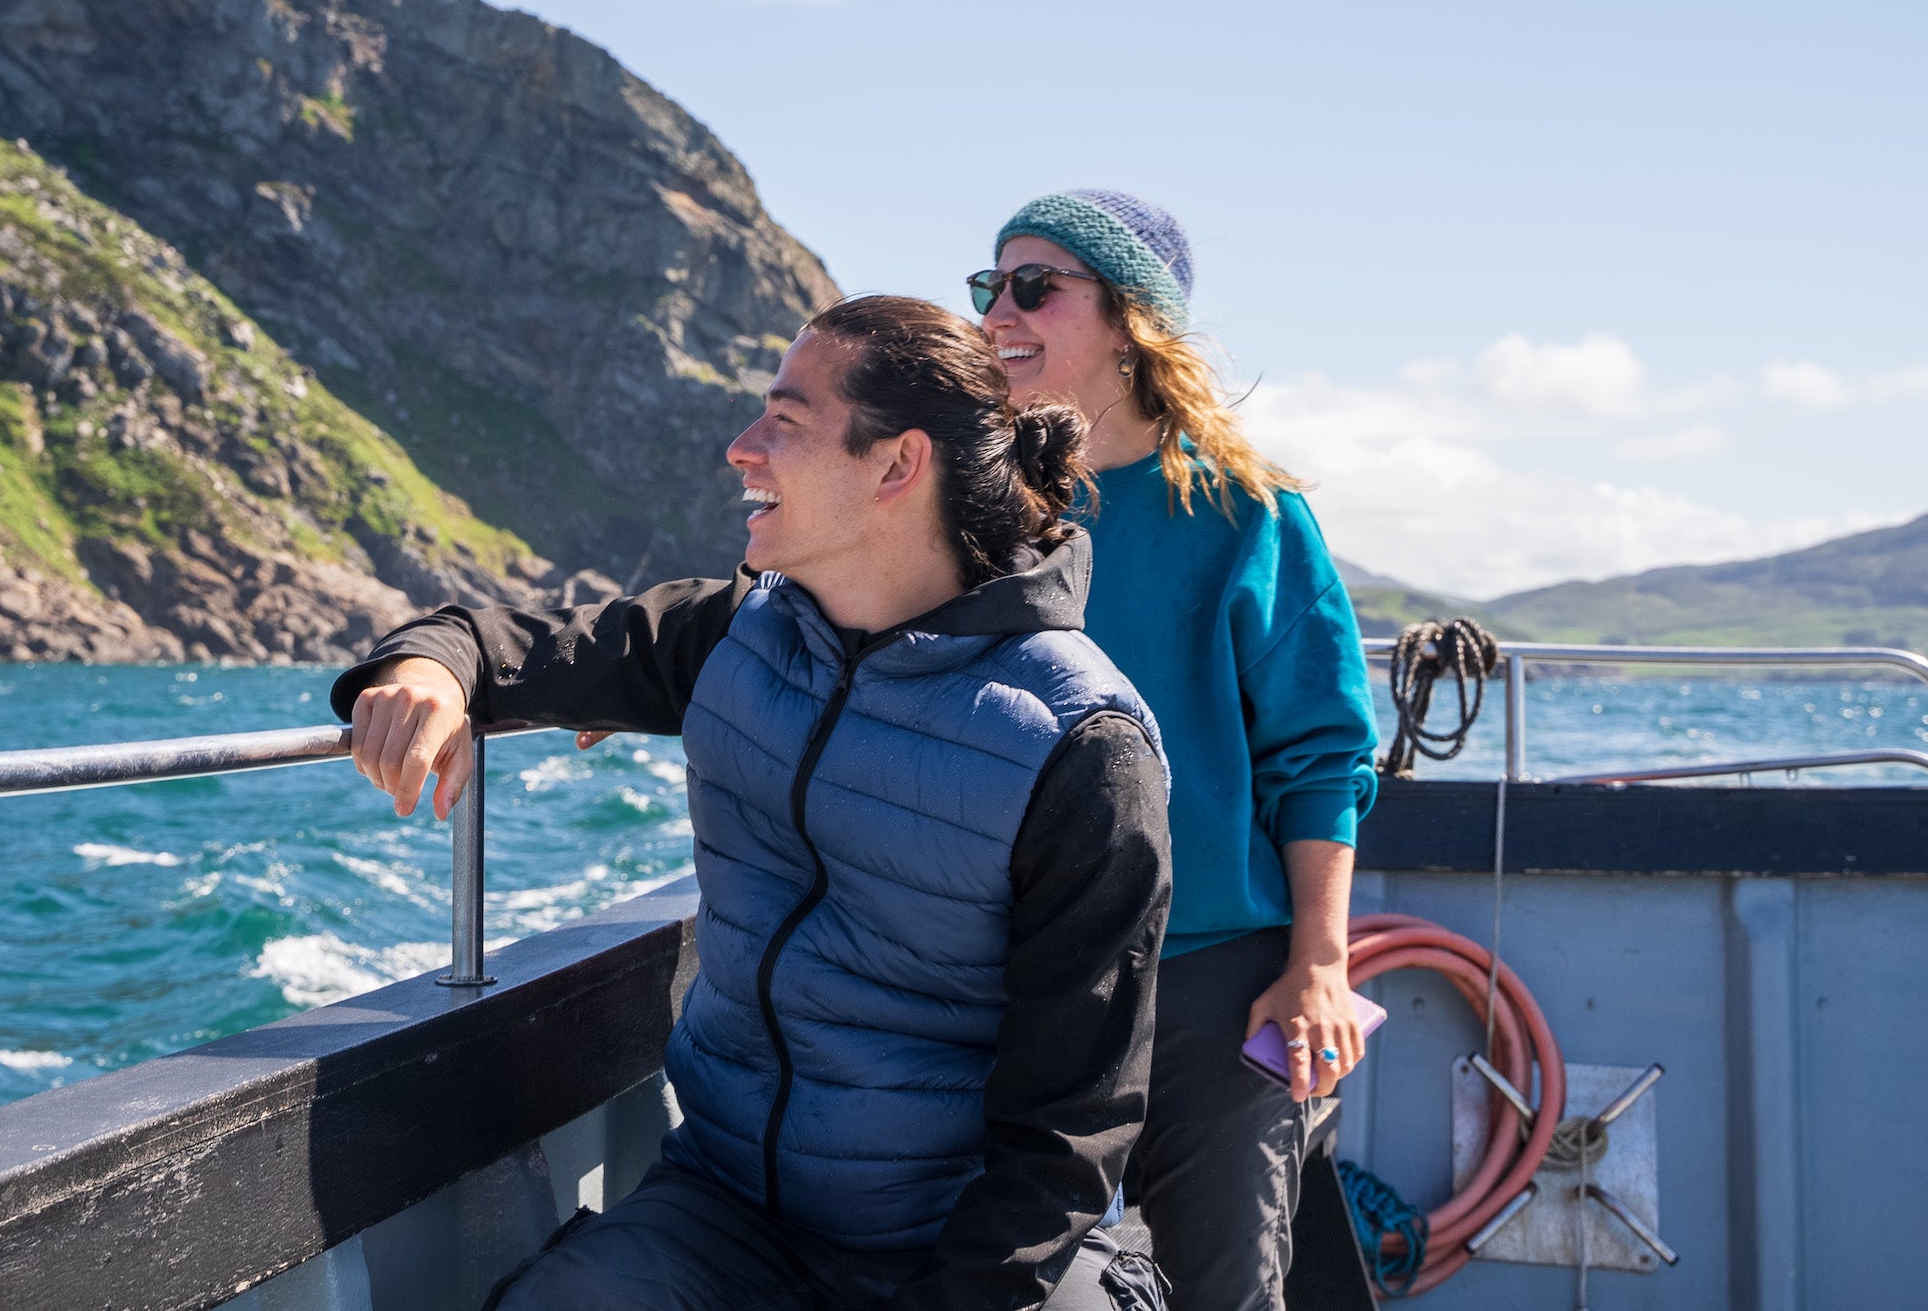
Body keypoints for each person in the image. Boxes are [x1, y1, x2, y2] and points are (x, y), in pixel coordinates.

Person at [335, 296, 1173, 1311]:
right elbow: (514, 639)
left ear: (896, 465)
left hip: (969, 1240)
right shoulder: (734, 634)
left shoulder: (1078, 743)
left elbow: (1067, 1126)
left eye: (784, 418)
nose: (741, 448)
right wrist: (425, 667)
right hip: (729, 1208)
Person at [972, 191, 1381, 1311]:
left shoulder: (1250, 513)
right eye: (988, 286)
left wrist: (1318, 962)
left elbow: (1323, 754)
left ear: (1130, 319)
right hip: (1019, 966)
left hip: (1214, 967)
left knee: (1223, 1286)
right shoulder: (974, 513)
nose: (996, 310)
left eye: (1033, 285)